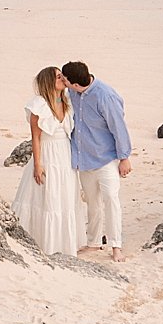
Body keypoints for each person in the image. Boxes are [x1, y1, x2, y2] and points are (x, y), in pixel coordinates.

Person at [60, 60, 132, 260]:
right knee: (92, 202)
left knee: (111, 200)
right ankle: (93, 243)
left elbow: (119, 127)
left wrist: (124, 158)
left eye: (65, 80)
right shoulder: (72, 93)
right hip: (83, 158)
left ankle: (116, 245)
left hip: (106, 158)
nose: (63, 83)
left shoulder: (105, 96)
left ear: (75, 83)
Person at [9, 65, 85, 256]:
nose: (63, 79)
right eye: (59, 77)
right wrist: (37, 164)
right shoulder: (38, 106)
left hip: (65, 155)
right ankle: (44, 243)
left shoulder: (68, 101)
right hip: (47, 154)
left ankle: (65, 244)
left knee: (65, 196)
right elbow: (35, 137)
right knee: (47, 197)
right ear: (49, 82)